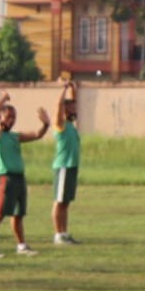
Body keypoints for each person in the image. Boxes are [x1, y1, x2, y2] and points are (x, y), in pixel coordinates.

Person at [0, 92, 49, 259]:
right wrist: (3, 98)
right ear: (1, 117)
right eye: (8, 117)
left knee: (18, 214)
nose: (11, 120)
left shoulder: (14, 137)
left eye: (13, 117)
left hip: (19, 178)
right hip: (6, 178)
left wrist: (46, 125)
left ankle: (21, 246)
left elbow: (37, 134)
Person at [51, 79, 81, 245]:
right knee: (59, 201)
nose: (74, 110)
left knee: (66, 202)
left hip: (71, 167)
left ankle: (64, 233)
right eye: (70, 108)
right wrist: (64, 89)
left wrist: (73, 88)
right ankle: (58, 235)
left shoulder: (71, 125)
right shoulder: (60, 125)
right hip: (63, 166)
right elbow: (59, 105)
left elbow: (74, 101)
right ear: (64, 111)